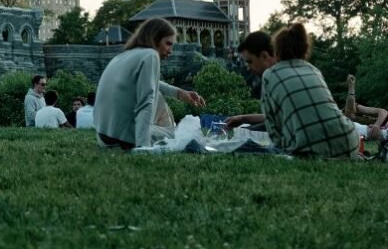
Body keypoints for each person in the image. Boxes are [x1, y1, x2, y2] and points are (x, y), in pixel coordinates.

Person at [227, 33, 388, 145]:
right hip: (336, 138)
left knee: (249, 134)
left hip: (328, 140)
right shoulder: (306, 69)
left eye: (250, 61)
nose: (249, 67)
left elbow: (275, 122)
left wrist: (245, 126)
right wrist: (244, 119)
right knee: (247, 131)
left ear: (264, 55)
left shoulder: (277, 75)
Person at [94, 18, 206, 150]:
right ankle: (155, 135)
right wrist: (143, 146)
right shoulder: (151, 55)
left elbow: (151, 81)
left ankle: (155, 131)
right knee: (180, 135)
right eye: (168, 43)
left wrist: (180, 93)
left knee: (157, 95)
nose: (170, 50)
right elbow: (146, 102)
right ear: (155, 38)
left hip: (104, 137)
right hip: (125, 138)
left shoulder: (125, 55)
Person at [257, 23, 358, 159]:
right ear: (305, 49)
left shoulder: (270, 74)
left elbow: (272, 124)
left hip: (311, 150)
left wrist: (281, 147)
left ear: (277, 50)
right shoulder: (313, 70)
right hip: (349, 141)